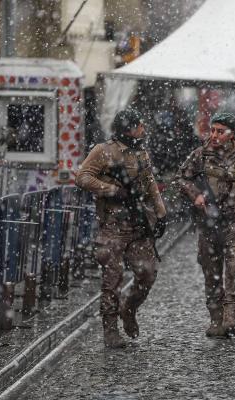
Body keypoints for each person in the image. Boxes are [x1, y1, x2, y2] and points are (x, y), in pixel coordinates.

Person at [76, 109, 167, 348]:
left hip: (138, 225)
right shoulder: (103, 151)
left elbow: (150, 184)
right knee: (112, 279)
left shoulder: (141, 153)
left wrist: (160, 213)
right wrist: (112, 190)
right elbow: (83, 177)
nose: (143, 129)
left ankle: (129, 308)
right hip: (113, 226)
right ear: (128, 128)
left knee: (148, 273)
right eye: (139, 126)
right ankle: (110, 329)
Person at [174, 112, 235, 337]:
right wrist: (195, 195)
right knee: (212, 274)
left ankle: (231, 315)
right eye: (213, 130)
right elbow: (182, 177)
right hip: (209, 224)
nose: (215, 135)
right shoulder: (201, 155)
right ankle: (216, 318)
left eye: (221, 131)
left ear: (232, 134)